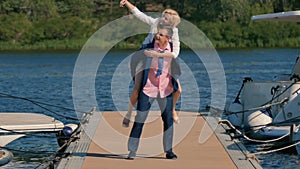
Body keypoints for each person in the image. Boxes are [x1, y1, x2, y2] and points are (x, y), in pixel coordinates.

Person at [119, 0, 182, 127]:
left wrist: (159, 55)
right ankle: (129, 114)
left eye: (165, 17)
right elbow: (139, 14)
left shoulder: (174, 31)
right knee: (137, 89)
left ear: (170, 22)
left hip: (163, 58)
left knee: (178, 90)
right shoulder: (156, 22)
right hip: (145, 54)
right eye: (163, 16)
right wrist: (127, 3)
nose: (162, 18)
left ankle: (172, 109)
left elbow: (175, 53)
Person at [127, 25, 178, 160]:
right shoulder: (147, 49)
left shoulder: (173, 50)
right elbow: (134, 60)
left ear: (168, 38)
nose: (157, 36)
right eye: (157, 33)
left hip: (166, 89)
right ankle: (132, 150)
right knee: (140, 119)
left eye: (161, 35)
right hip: (148, 88)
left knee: (168, 121)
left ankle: (169, 151)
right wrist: (135, 76)